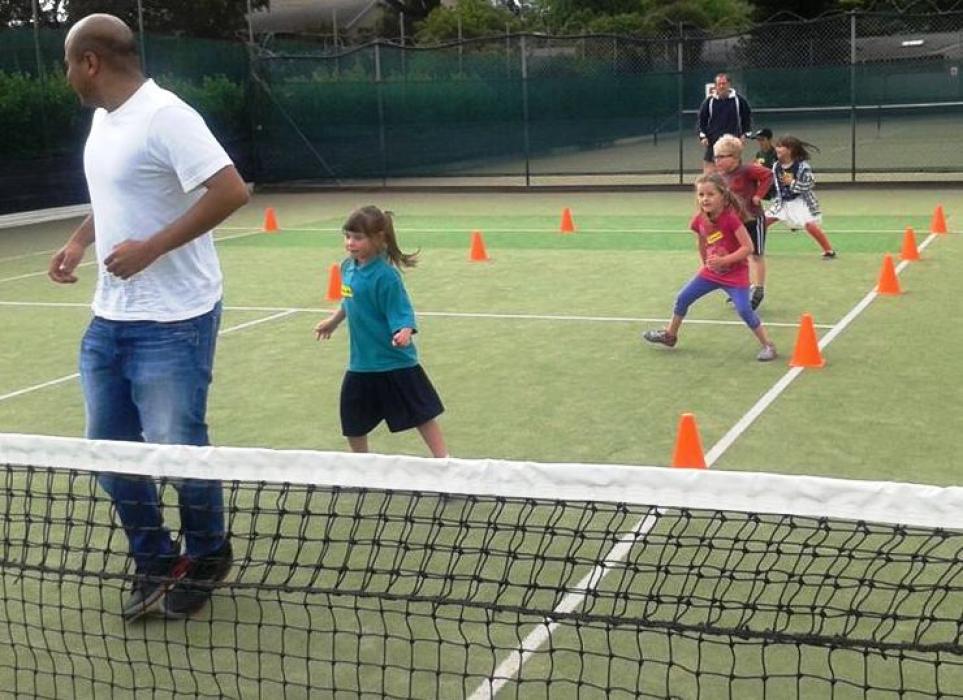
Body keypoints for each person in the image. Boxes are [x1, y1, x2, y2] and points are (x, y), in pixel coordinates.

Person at [48, 14, 250, 621]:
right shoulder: (103, 121)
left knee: (177, 449)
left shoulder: (167, 116)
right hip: (109, 317)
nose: (66, 75)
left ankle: (208, 554)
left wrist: (152, 248)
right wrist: (80, 240)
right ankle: (156, 559)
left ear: (89, 62)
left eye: (67, 64)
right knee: (108, 453)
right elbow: (118, 195)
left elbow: (231, 190)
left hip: (176, 319)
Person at [314, 206, 448, 458]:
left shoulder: (387, 277)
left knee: (422, 414)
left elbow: (401, 309)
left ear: (378, 238)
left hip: (395, 361)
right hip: (362, 363)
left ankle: (445, 462)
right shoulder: (347, 267)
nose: (350, 243)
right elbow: (349, 300)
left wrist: (404, 330)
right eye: (347, 236)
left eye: (357, 238)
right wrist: (334, 321)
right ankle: (362, 465)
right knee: (352, 420)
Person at [642, 173, 777, 362]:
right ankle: (670, 335)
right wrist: (706, 263)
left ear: (723, 196)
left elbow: (748, 248)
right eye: (701, 195)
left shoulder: (731, 219)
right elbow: (702, 243)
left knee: (744, 310)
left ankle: (768, 345)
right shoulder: (699, 220)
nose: (705, 199)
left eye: (710, 194)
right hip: (711, 273)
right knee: (683, 298)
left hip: (736, 275)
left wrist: (725, 261)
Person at [712, 135, 773, 310]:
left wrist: (758, 195)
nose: (717, 161)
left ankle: (758, 290)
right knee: (736, 256)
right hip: (735, 224)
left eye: (722, 157)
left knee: (756, 255)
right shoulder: (719, 177)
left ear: (735, 157)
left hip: (753, 220)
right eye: (716, 157)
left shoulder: (747, 170)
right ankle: (741, 289)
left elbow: (768, 175)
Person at [766, 135, 836, 259]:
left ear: (790, 150)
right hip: (782, 202)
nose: (777, 149)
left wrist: (792, 183)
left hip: (800, 201)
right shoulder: (776, 166)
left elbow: (809, 184)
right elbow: (776, 184)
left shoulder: (803, 167)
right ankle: (755, 249)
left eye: (781, 146)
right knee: (762, 222)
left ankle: (829, 251)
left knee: (810, 225)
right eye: (777, 146)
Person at [697, 73, 752, 174]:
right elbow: (701, 121)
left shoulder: (739, 101)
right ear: (715, 86)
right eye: (719, 84)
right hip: (713, 143)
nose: (722, 86)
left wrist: (745, 135)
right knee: (709, 174)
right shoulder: (709, 102)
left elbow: (747, 119)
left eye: (724, 83)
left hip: (732, 143)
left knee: (734, 174)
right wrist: (703, 137)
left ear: (729, 84)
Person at [751, 128, 777, 200]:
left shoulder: (777, 154)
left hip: (774, 189)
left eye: (762, 139)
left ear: (770, 140)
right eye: (758, 140)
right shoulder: (759, 154)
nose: (760, 142)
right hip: (763, 188)